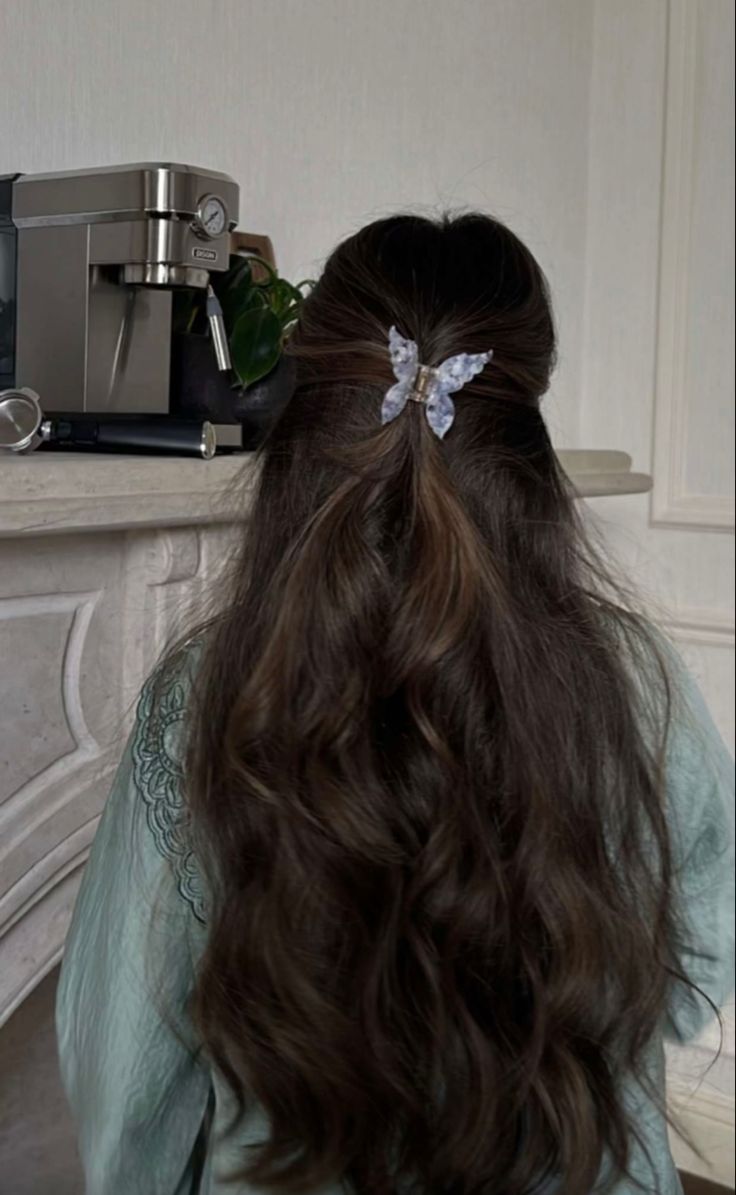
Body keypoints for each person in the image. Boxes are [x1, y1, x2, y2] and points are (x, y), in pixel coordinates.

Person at [56, 214, 734, 1195]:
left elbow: (125, 1084)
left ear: (306, 425)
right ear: (525, 435)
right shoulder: (638, 682)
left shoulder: (208, 699)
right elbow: (698, 955)